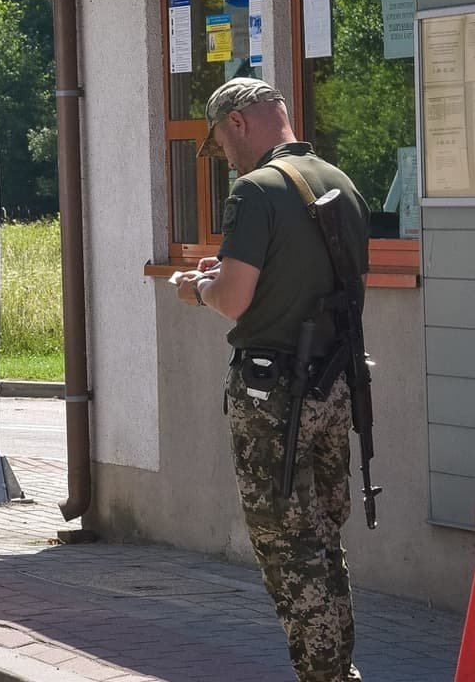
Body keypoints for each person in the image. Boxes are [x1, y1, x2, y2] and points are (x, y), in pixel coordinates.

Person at [170, 77, 369, 682]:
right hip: (334, 386)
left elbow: (234, 299)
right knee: (324, 542)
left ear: (239, 123)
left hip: (273, 392)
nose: (224, 157)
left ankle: (322, 676)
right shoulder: (340, 183)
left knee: (287, 549)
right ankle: (339, 671)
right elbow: (304, 278)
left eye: (220, 144)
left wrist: (196, 288)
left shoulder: (255, 191)